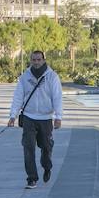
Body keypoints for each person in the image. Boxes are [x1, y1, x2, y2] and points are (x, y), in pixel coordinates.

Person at [8, 50, 63, 189]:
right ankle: (32, 178)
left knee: (46, 146)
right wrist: (12, 115)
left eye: (39, 60)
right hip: (29, 117)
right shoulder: (25, 77)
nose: (36, 62)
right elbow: (18, 97)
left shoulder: (52, 77)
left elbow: (57, 97)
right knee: (28, 148)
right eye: (34, 60)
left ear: (44, 60)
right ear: (31, 60)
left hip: (46, 118)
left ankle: (47, 167)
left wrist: (58, 117)